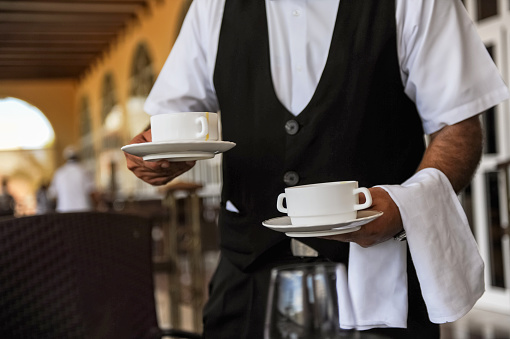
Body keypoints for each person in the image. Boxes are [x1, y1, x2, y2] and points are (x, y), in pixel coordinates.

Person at [124, 0, 509, 338]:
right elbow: (174, 118)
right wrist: (158, 154)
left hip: (378, 281)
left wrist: (403, 207)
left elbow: (458, 127)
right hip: (245, 279)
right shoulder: (214, 6)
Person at [49, 146, 97, 213]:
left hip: (64, 211)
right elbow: (92, 193)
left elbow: (52, 195)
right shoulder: (84, 171)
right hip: (83, 211)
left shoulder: (59, 173)